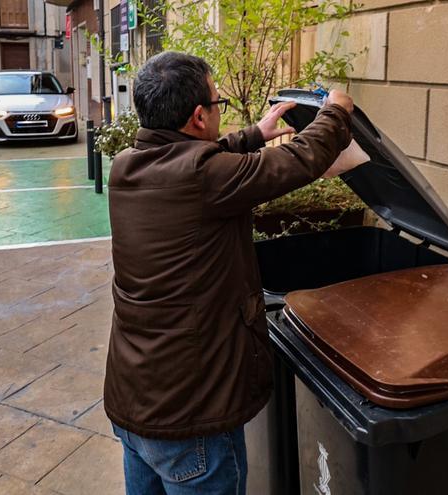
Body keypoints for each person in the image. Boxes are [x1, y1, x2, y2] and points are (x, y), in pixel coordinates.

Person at [104, 51, 354, 494]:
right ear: (199, 117)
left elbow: (191, 160)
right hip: (193, 417)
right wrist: (336, 110)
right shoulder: (204, 178)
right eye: (218, 104)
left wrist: (254, 134)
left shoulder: (126, 166)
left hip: (136, 406)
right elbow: (298, 160)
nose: (220, 112)